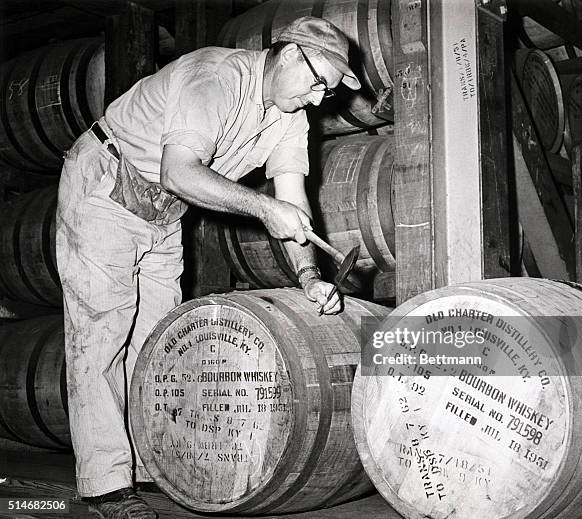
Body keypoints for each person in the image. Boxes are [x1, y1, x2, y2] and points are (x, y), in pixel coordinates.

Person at [56, 15, 361, 519]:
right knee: (100, 334)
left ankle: (146, 466)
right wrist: (264, 209)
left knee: (158, 342)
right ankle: (105, 486)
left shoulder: (289, 119)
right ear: (288, 55)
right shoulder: (215, 77)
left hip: (163, 211)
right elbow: (180, 172)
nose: (315, 99)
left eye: (325, 93)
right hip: (106, 183)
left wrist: (309, 276)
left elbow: (293, 206)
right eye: (315, 83)